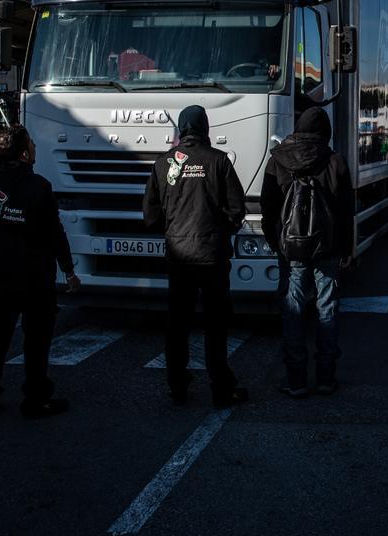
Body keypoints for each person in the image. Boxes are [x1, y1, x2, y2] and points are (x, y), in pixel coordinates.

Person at [144, 105, 249, 407]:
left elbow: (150, 216)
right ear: (205, 128)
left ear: (181, 130)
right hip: (212, 256)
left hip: (178, 257)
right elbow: (236, 210)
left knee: (177, 323)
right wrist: (220, 230)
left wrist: (172, 229)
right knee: (215, 325)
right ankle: (221, 388)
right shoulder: (218, 161)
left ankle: (177, 385)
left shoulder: (164, 163)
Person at [0, 125, 79, 419]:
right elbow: (55, 233)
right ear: (23, 153)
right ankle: (35, 399)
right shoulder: (38, 188)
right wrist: (68, 269)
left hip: (1, 273)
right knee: (36, 342)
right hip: (35, 278)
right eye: (31, 144)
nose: (36, 148)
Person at [261, 108, 354, 398]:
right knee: (327, 308)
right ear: (324, 131)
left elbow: (268, 206)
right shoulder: (335, 161)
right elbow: (345, 211)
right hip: (327, 248)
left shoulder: (277, 159)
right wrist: (346, 248)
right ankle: (326, 377)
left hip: (291, 249)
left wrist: (276, 240)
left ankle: (296, 379)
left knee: (293, 309)